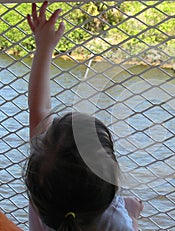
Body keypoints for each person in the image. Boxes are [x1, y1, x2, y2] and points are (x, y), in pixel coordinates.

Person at [24, 1, 143, 231]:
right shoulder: (116, 222)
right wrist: (132, 214)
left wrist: (43, 47)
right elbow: (39, 112)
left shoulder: (45, 194)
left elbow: (39, 111)